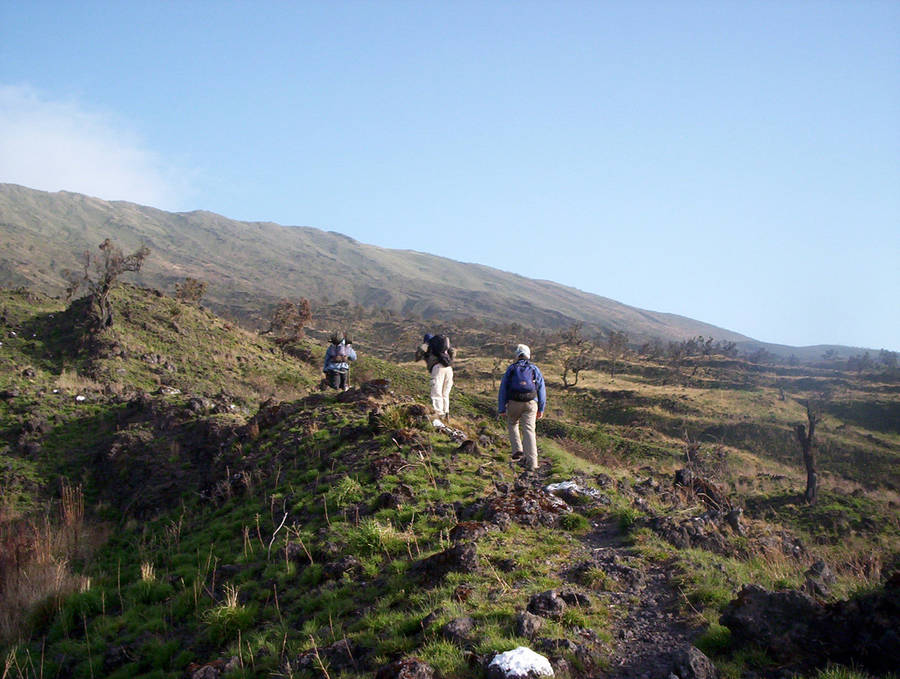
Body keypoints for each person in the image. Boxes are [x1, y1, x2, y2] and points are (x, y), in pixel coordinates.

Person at [497, 344, 546, 472]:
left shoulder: (511, 369)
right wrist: (541, 408)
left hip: (514, 402)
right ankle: (533, 463)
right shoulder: (534, 369)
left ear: (517, 355)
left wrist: (502, 408)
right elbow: (541, 389)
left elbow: (503, 389)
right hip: (531, 403)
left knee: (513, 424)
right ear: (528, 355)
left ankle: (517, 450)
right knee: (529, 430)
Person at [415, 333, 455, 420]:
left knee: (436, 392)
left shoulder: (428, 344)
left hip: (437, 368)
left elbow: (417, 356)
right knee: (445, 393)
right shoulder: (443, 345)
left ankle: (439, 415)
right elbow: (452, 352)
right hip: (448, 368)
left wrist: (423, 348)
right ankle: (446, 414)